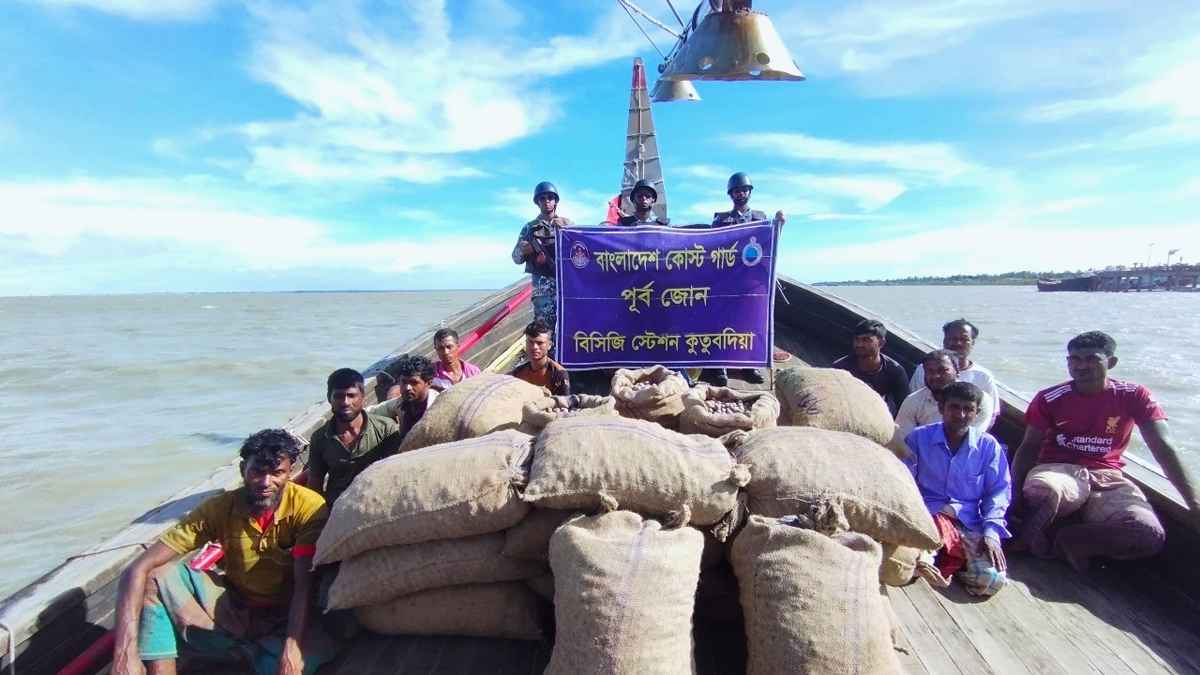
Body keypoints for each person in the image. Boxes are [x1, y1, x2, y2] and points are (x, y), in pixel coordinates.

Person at [111, 430, 333, 675]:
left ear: (290, 472)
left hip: (287, 617)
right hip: (237, 608)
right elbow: (137, 568)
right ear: (242, 470)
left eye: (276, 473)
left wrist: (291, 649)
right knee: (155, 576)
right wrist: (124, 655)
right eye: (257, 472)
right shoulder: (219, 508)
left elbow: (304, 585)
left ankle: (241, 655)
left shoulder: (309, 507)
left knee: (298, 663)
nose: (265, 482)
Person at [1010, 331, 1200, 572]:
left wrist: (1194, 503)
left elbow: (1163, 446)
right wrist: (1013, 493)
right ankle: (1029, 540)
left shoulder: (1134, 395)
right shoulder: (1050, 397)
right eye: (1075, 359)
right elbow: (1029, 446)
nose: (1082, 366)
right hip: (1059, 469)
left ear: (1111, 362)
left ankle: (1069, 540)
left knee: (1147, 532)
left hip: (1107, 476)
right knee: (1043, 490)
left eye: (1092, 359)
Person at [904, 381, 1010, 597]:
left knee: (990, 580)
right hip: (926, 515)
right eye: (954, 407)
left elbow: (998, 492)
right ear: (941, 408)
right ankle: (934, 560)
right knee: (907, 565)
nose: (961, 415)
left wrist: (991, 533)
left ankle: (956, 564)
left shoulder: (989, 446)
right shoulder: (918, 438)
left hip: (967, 521)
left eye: (968, 409)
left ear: (977, 413)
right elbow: (905, 482)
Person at [702, 172, 785, 386]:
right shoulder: (721, 220)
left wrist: (779, 225)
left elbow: (770, 243)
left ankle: (749, 366)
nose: (740, 194)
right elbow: (712, 245)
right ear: (731, 194)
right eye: (736, 191)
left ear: (749, 192)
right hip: (726, 280)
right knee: (721, 322)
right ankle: (719, 366)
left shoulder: (760, 218)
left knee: (750, 322)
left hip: (751, 281)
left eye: (744, 190)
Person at [309, 368, 403, 506]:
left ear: (362, 397)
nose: (345, 402)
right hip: (337, 507)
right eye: (339, 396)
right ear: (329, 398)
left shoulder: (386, 429)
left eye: (351, 395)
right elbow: (315, 485)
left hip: (378, 501)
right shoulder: (320, 438)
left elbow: (396, 473)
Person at [511, 181, 574, 340]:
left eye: (550, 197)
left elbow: (581, 251)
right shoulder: (529, 228)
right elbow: (516, 258)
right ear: (537, 202)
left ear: (556, 201)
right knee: (543, 332)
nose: (546, 201)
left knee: (570, 329)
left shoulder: (568, 224)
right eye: (542, 198)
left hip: (566, 287)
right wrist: (524, 250)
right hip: (543, 290)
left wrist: (568, 232)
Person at [910, 318, 1001, 425]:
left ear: (972, 343)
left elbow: (990, 416)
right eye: (952, 339)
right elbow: (912, 404)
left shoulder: (983, 377)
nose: (958, 343)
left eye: (964, 339)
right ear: (944, 341)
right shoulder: (923, 369)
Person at [896, 349, 994, 439]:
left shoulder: (980, 400)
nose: (936, 376)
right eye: (930, 371)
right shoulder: (913, 401)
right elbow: (903, 439)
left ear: (957, 372)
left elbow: (972, 439)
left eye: (943, 370)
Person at [831, 319, 910, 416]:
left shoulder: (895, 371)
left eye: (866, 340)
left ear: (881, 343)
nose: (859, 344)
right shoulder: (840, 368)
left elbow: (904, 409)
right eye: (857, 339)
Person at [368, 355, 439, 438]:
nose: (407, 388)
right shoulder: (400, 403)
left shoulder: (437, 406)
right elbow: (372, 412)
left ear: (429, 383)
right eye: (404, 382)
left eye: (414, 383)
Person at [510, 320, 570, 395]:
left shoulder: (558, 374)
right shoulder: (518, 373)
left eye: (540, 343)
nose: (534, 347)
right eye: (530, 342)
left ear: (549, 345)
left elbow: (563, 401)